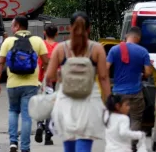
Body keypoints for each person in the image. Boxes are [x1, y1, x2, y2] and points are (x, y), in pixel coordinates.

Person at [45, 11, 111, 152]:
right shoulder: (97, 49)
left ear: (70, 28)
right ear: (89, 29)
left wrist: (61, 76)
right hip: (89, 100)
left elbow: (50, 76)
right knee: (84, 137)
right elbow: (103, 77)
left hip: (66, 99)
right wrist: (108, 102)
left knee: (69, 138)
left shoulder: (61, 48)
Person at [0, 15, 49, 152]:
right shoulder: (37, 41)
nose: (12, 28)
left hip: (12, 84)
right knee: (26, 116)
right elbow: (47, 62)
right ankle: (25, 147)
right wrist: (44, 79)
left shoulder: (8, 42)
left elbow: (0, 63)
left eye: (13, 25)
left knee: (13, 111)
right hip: (31, 84)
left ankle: (13, 142)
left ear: (17, 26)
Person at [106, 26, 152, 151]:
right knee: (136, 118)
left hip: (118, 94)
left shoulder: (114, 50)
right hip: (135, 92)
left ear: (127, 36)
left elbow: (105, 68)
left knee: (117, 119)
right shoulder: (143, 51)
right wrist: (142, 75)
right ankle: (131, 145)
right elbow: (148, 72)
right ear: (138, 38)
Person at [35, 23, 58, 145]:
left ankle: (40, 124)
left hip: (41, 79)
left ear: (44, 32)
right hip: (52, 81)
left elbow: (39, 62)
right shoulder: (58, 47)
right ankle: (48, 135)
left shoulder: (41, 45)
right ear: (56, 34)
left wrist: (38, 78)